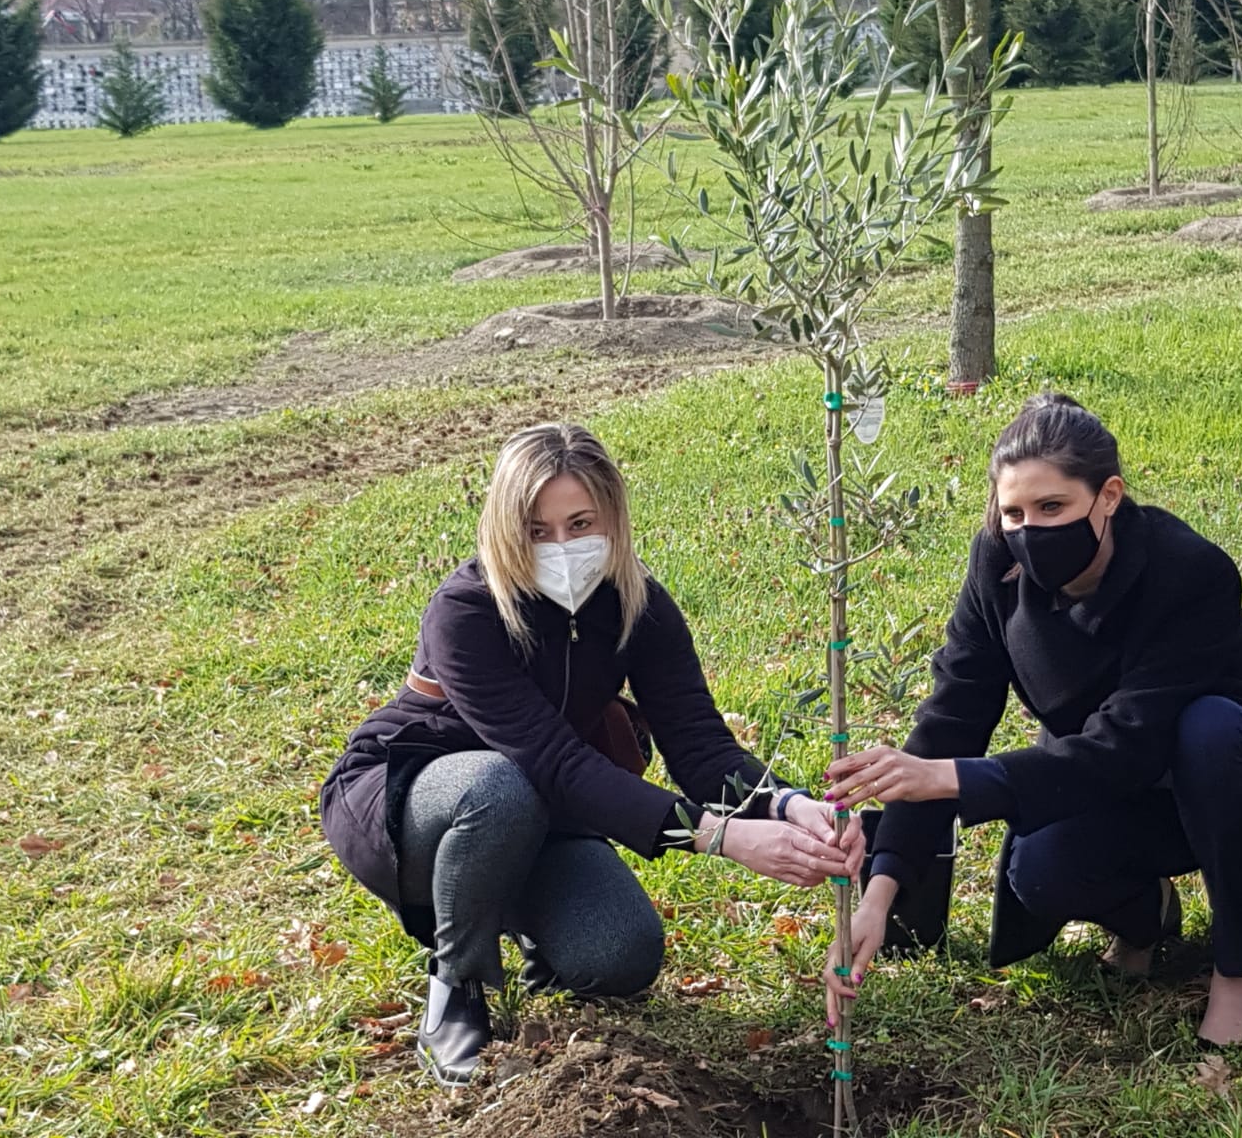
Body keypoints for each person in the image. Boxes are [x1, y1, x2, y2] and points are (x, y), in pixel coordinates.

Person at [321, 422, 863, 1088]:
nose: (563, 546)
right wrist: (719, 836)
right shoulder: (466, 610)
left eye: (580, 523)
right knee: (496, 788)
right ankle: (455, 987)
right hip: (412, 800)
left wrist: (787, 802)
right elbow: (553, 762)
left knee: (620, 955)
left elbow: (695, 739)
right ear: (504, 526)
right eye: (537, 530)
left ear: (612, 516)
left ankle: (513, 914)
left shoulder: (637, 603)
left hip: (540, 810)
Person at [821, 394, 1242, 1047]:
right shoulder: (997, 567)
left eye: (1053, 508)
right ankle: (1147, 916)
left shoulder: (1187, 573)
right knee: (1040, 873)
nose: (1030, 530)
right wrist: (880, 894)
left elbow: (1128, 743)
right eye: (1014, 511)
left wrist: (952, 778)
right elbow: (953, 714)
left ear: (1108, 496)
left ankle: (1235, 968)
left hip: (1237, 777)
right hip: (1109, 782)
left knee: (1207, 729)